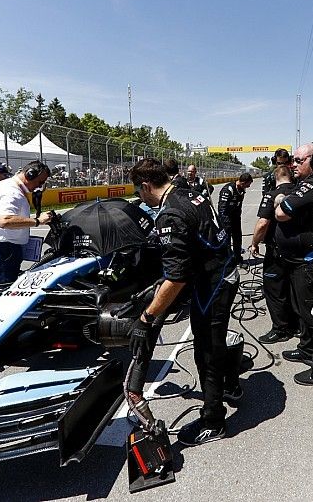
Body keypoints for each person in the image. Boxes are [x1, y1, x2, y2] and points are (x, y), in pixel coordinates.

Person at [129, 158, 238, 446]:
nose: (141, 198)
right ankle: (233, 386)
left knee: (206, 352)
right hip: (222, 271)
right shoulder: (187, 189)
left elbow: (176, 278)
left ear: (146, 186)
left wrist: (147, 318)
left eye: (139, 193)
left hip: (213, 285)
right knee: (214, 342)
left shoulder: (170, 213)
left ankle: (214, 421)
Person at [274, 142, 313, 386]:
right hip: (297, 260)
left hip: (307, 261)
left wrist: (281, 197)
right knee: (302, 311)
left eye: (299, 161)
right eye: (293, 161)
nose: (293, 165)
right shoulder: (305, 183)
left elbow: (281, 212)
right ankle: (306, 348)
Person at [0, 160, 53, 284]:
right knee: (3, 292)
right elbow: (5, 220)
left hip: (4, 245)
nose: (40, 186)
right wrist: (37, 221)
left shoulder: (11, 186)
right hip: (2, 247)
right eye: (40, 182)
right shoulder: (12, 192)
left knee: (8, 285)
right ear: (30, 175)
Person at [251, 166, 300, 344]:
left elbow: (263, 223)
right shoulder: (300, 191)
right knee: (294, 289)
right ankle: (296, 325)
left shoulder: (271, 194)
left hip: (277, 252)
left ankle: (281, 328)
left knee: (274, 290)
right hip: (298, 252)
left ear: (274, 178)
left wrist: (255, 243)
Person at [217, 173, 253, 265]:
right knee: (227, 241)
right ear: (243, 182)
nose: (249, 186)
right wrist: (226, 223)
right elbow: (222, 208)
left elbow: (239, 205)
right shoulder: (228, 189)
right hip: (226, 219)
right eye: (248, 184)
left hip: (235, 218)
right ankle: (228, 261)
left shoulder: (241, 189)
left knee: (237, 238)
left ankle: (238, 258)